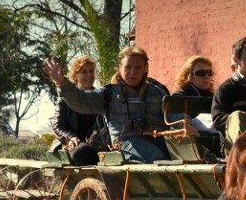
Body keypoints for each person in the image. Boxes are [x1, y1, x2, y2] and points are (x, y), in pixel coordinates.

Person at [43, 46, 171, 164]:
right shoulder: (107, 93)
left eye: (138, 67)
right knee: (157, 159)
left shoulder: (158, 92)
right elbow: (83, 101)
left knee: (184, 155)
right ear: (120, 67)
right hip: (126, 142)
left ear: (146, 68)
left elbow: (175, 115)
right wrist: (62, 83)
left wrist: (186, 123)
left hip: (158, 139)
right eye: (128, 67)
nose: (133, 72)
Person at [49, 55, 109, 166]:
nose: (89, 75)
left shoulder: (100, 97)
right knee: (82, 152)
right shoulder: (65, 98)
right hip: (75, 144)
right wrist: (71, 137)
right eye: (84, 72)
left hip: (96, 143)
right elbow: (57, 126)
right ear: (75, 75)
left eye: (91, 71)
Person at [168, 55, 219, 136]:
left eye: (209, 72)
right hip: (193, 139)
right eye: (201, 73)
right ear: (190, 77)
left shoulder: (216, 96)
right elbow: (178, 120)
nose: (206, 76)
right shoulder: (179, 96)